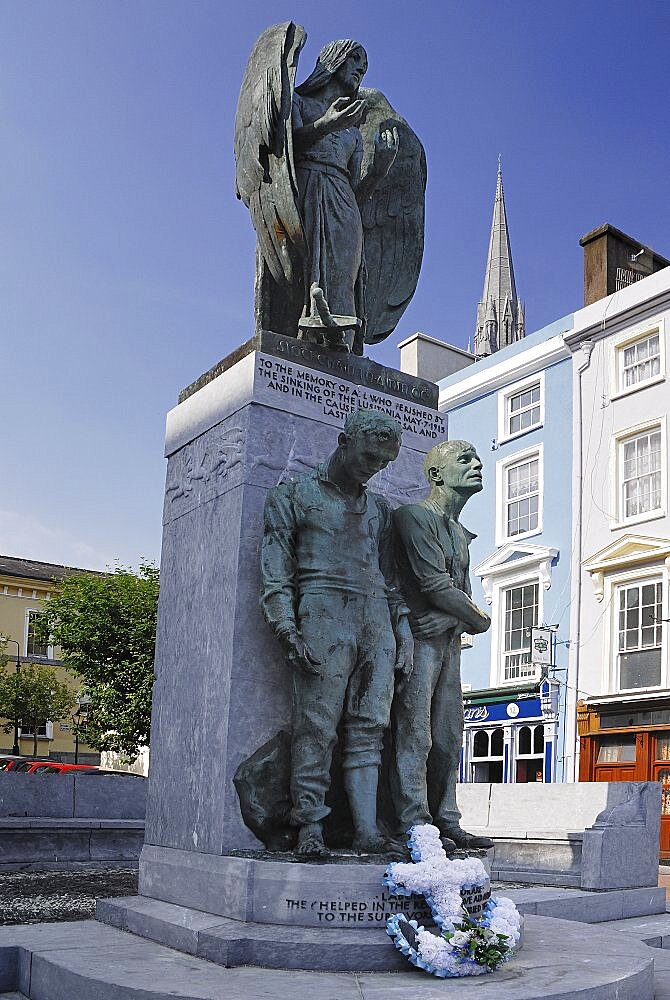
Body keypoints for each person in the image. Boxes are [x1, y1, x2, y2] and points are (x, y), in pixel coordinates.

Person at [260, 410, 413, 857]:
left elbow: (390, 579)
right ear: (343, 441)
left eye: (384, 462)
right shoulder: (293, 494)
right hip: (322, 611)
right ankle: (309, 825)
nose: (374, 468)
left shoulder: (380, 511)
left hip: (375, 622)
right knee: (316, 725)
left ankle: (366, 829)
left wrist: (402, 630)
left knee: (370, 727)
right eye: (368, 456)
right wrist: (286, 626)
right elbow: (276, 567)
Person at [391, 440, 494, 851]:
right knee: (415, 733)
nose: (477, 465)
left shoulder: (459, 533)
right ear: (435, 474)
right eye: (464, 460)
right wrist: (478, 618)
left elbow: (458, 599)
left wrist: (460, 618)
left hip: (448, 642)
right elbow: (435, 586)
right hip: (416, 642)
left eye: (477, 459)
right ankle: (413, 822)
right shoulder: (414, 517)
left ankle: (446, 818)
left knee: (449, 735)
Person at [292, 40, 398, 346]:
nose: (360, 69)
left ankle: (343, 348)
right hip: (306, 187)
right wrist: (324, 125)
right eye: (355, 60)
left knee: (343, 279)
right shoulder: (299, 103)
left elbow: (357, 191)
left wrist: (379, 170)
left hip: (343, 203)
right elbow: (283, 148)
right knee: (299, 274)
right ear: (333, 60)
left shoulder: (353, 130)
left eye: (364, 68)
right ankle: (304, 338)